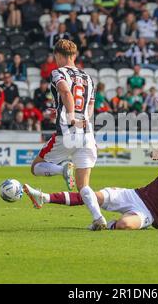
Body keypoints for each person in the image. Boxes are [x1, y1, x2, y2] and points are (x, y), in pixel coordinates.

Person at [23, 147, 158, 231]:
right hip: (134, 194)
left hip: (149, 214)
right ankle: (43, 197)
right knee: (92, 194)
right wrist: (156, 152)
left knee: (124, 225)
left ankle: (107, 226)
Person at [27, 39, 105, 230]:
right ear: (75, 55)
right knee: (83, 185)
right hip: (87, 134)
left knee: (36, 167)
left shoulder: (58, 72)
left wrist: (71, 117)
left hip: (68, 131)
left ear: (58, 56)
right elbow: (91, 106)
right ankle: (98, 218)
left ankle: (62, 170)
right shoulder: (88, 77)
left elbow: (65, 91)